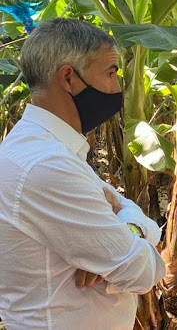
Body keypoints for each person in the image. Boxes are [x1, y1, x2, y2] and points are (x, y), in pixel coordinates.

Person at [0, 18, 166, 329]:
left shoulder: (49, 149)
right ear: (68, 77)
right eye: (111, 72)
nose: (118, 88)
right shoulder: (46, 165)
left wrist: (127, 226)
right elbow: (144, 273)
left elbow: (123, 210)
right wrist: (130, 228)